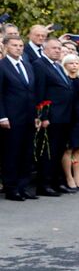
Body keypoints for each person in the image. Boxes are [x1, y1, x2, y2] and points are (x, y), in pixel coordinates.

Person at [32, 35, 78, 195]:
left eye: (59, 48)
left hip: (64, 116)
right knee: (48, 152)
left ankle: (56, 182)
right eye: (54, 48)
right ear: (44, 49)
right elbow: (40, 92)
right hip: (52, 117)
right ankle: (44, 185)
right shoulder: (40, 65)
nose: (57, 51)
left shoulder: (57, 66)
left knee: (58, 152)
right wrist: (43, 116)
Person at [0, 29, 38, 201]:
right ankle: (11, 188)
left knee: (26, 153)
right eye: (14, 45)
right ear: (6, 47)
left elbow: (32, 92)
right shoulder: (2, 66)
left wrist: (37, 114)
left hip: (29, 116)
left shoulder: (27, 65)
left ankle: (23, 187)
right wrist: (2, 116)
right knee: (12, 153)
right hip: (12, 118)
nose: (18, 48)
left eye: (21, 46)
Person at [60, 54, 79, 191]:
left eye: (76, 63)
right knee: (68, 149)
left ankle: (78, 178)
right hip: (67, 118)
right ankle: (69, 177)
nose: (74, 65)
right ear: (65, 65)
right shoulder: (63, 80)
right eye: (71, 63)